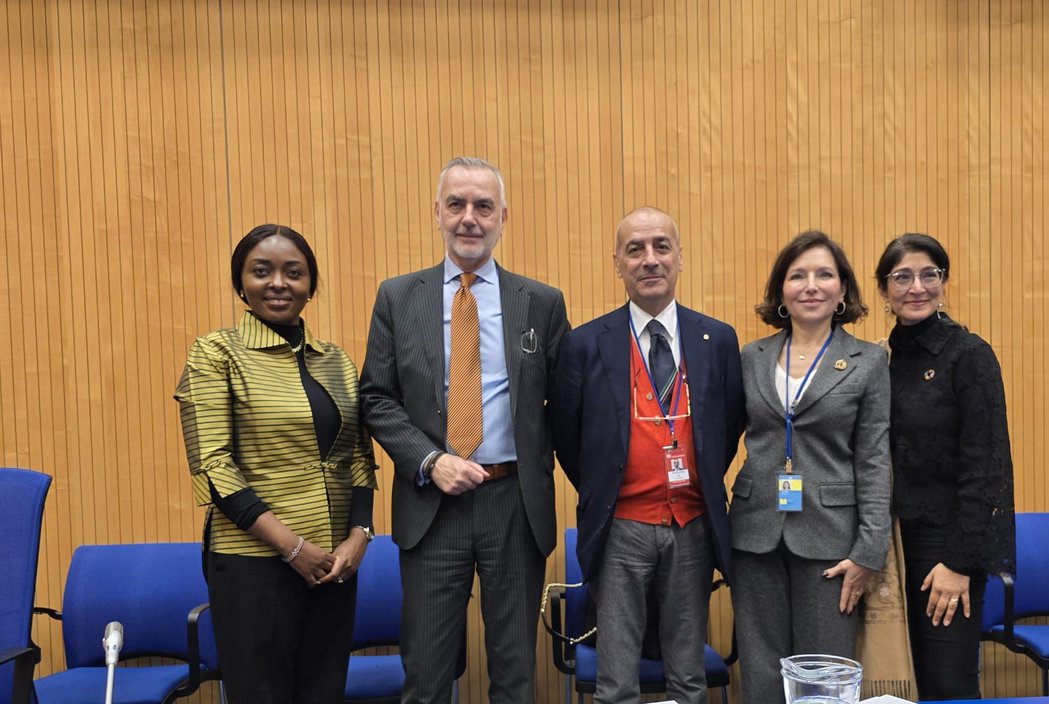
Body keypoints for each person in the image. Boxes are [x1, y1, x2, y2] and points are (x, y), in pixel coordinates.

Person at [359, 157, 569, 704]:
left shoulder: (541, 303)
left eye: (483, 206)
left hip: (514, 503)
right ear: (437, 213)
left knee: (515, 674)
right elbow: (376, 398)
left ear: (504, 216)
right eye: (456, 205)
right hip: (433, 507)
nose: (469, 218)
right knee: (426, 676)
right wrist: (430, 461)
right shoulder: (397, 297)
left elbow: (568, 405)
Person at [174, 224, 378, 703]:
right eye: (261, 271)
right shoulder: (214, 352)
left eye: (295, 273)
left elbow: (359, 458)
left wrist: (359, 537)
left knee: (323, 691)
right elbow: (213, 464)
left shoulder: (335, 361)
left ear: (311, 285)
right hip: (253, 562)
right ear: (240, 282)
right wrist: (292, 548)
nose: (279, 284)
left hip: (333, 565)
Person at [550, 207, 745, 704]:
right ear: (617, 263)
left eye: (661, 246)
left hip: (693, 525)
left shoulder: (716, 339)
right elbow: (569, 439)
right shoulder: (586, 344)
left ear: (681, 258)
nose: (649, 259)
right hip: (621, 529)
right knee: (616, 682)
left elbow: (726, 429)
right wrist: (611, 485)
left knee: (688, 676)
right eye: (635, 249)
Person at [730, 230, 892, 704]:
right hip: (754, 531)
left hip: (832, 541)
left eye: (824, 274)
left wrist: (869, 550)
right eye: (797, 275)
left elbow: (875, 457)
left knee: (824, 675)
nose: (811, 285)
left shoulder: (867, 361)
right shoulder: (751, 357)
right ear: (781, 290)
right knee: (761, 671)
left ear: (843, 289)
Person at [874, 232, 1015, 700]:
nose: (917, 287)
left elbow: (986, 470)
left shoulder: (968, 355)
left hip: (946, 547)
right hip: (889, 544)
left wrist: (957, 564)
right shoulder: (878, 360)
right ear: (883, 291)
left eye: (929, 274)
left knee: (947, 681)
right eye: (902, 277)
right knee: (893, 680)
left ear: (943, 281)